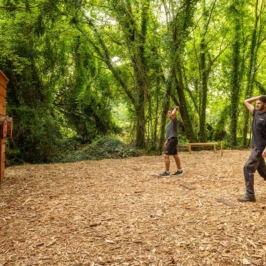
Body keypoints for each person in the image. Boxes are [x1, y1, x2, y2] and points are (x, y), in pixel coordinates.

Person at [238, 95, 266, 202]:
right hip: (255, 147)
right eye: (256, 103)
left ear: (265, 104)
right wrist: (259, 97)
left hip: (259, 148)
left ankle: (250, 195)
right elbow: (246, 101)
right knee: (264, 172)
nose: (257, 104)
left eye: (259, 103)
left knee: (247, 168)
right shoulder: (256, 113)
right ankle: (250, 194)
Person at [159, 106, 183, 177]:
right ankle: (179, 171)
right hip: (171, 139)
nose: (169, 114)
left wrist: (175, 109)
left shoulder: (174, 120)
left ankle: (167, 173)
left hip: (173, 140)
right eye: (168, 113)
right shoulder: (170, 122)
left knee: (166, 156)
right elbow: (170, 132)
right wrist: (167, 140)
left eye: (170, 113)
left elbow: (173, 114)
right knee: (175, 155)